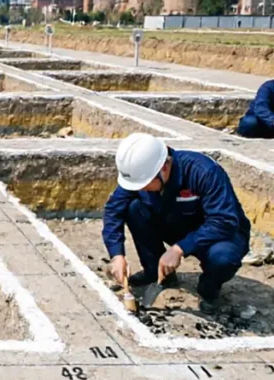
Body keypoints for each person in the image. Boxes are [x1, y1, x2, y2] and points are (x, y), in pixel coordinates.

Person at [103, 133, 250, 310]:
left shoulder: (203, 171)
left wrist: (180, 248)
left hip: (220, 234)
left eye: (144, 183)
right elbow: (114, 209)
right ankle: (156, 273)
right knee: (134, 208)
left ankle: (209, 286)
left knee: (223, 257)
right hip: (177, 224)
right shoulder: (143, 173)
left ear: (163, 168)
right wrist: (117, 255)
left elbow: (224, 221)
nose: (141, 188)